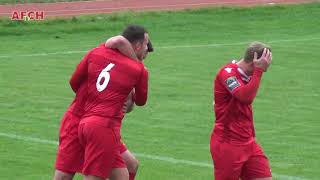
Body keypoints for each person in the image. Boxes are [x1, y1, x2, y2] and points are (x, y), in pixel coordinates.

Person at [53, 26, 152, 180]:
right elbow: (118, 41)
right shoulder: (133, 67)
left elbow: (74, 83)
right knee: (65, 175)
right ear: (137, 46)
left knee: (130, 166)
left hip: (97, 123)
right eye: (146, 46)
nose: (147, 52)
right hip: (82, 120)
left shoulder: (101, 52)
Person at [210, 42, 273, 180]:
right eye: (266, 63)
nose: (267, 67)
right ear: (254, 62)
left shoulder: (247, 74)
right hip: (228, 144)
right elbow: (245, 97)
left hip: (248, 142)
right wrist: (259, 71)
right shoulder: (227, 73)